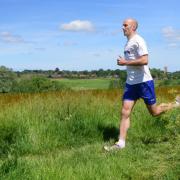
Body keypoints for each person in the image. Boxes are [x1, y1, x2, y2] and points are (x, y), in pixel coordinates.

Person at [104, 18, 180, 151]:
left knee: (155, 112)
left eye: (125, 25)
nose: (122, 27)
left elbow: (145, 60)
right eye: (122, 25)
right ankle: (120, 144)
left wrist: (125, 63)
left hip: (144, 82)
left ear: (133, 27)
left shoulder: (139, 40)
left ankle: (176, 104)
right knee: (125, 112)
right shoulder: (127, 43)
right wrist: (125, 63)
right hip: (131, 83)